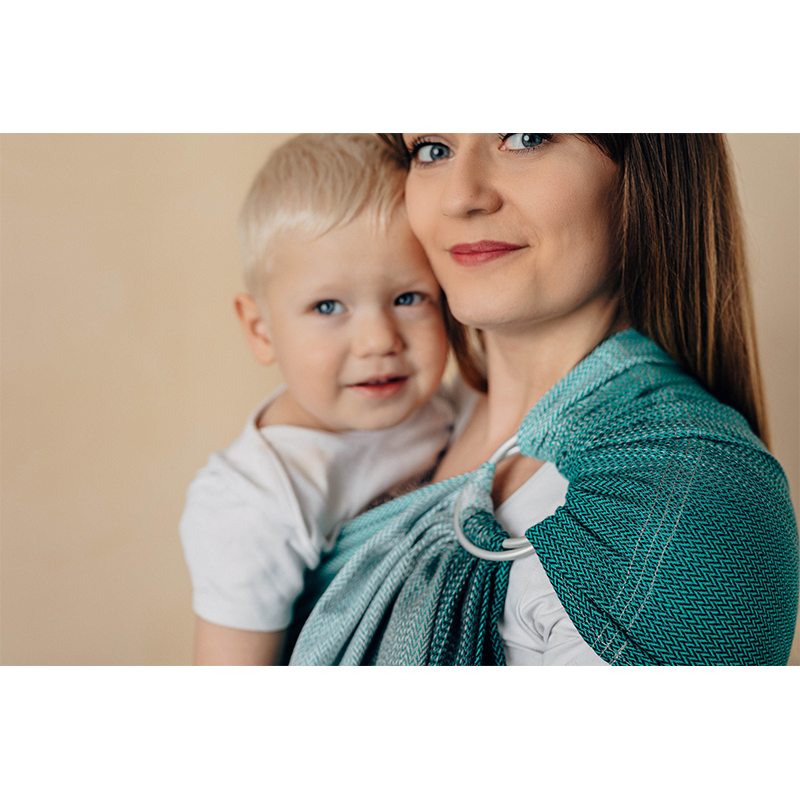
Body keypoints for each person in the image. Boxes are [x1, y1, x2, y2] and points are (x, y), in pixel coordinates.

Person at [287, 133, 799, 666]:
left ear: (644, 169)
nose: (460, 197)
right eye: (433, 149)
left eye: (525, 136)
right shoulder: (393, 426)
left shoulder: (687, 501)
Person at [179, 133, 453, 665]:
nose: (379, 341)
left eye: (408, 297)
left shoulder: (452, 404)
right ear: (260, 330)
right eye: (329, 307)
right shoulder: (253, 500)